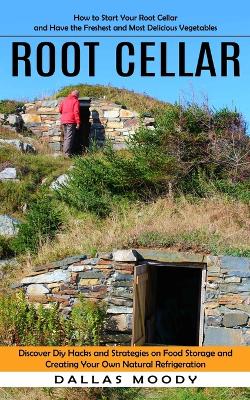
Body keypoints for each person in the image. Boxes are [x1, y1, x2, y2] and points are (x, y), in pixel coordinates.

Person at [59, 90, 80, 156]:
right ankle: (66, 154)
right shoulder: (75, 101)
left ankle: (65, 153)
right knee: (69, 137)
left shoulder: (64, 100)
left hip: (63, 121)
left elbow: (60, 110)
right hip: (71, 121)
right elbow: (76, 112)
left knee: (66, 137)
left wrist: (65, 115)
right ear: (77, 95)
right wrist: (78, 122)